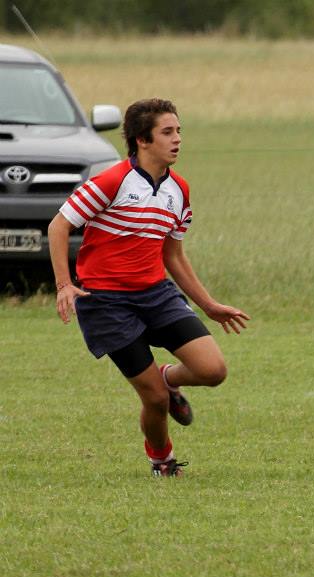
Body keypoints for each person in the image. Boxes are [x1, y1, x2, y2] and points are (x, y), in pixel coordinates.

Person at [48, 98, 250, 478]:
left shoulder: (179, 190)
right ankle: (162, 460)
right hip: (105, 302)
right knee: (154, 399)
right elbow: (59, 226)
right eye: (167, 132)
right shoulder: (112, 181)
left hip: (156, 294)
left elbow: (173, 255)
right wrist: (64, 285)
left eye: (179, 131)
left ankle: (169, 376)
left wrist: (208, 304)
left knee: (213, 370)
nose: (177, 140)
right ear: (142, 140)